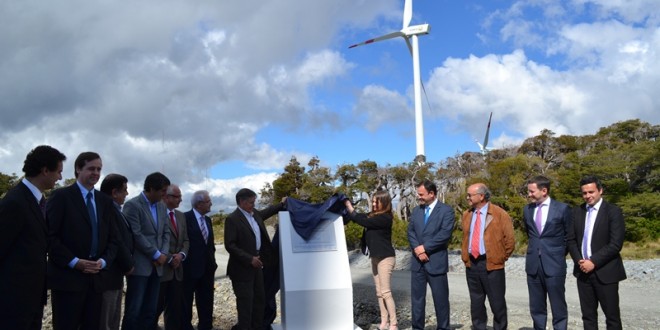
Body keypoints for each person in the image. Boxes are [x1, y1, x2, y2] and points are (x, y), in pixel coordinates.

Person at [46, 151, 119, 329]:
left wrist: (103, 261)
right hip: (68, 280)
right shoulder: (61, 197)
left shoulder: (105, 201)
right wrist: (74, 262)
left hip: (95, 280)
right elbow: (49, 236)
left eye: (99, 169)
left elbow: (114, 239)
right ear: (78, 169)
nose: (95, 173)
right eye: (91, 168)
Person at [0, 145, 65, 330]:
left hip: (31, 298)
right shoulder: (15, 203)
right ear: (45, 170)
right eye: (58, 172)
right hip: (13, 302)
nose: (60, 177)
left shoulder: (35, 201)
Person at [567, 175, 626, 330]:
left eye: (591, 192)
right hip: (583, 271)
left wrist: (593, 262)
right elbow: (571, 240)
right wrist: (580, 261)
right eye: (584, 193)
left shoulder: (613, 212)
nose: (588, 196)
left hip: (606, 272)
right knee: (588, 317)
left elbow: (615, 244)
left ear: (600, 191)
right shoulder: (576, 212)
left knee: (612, 317)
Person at [224, 188, 286, 330]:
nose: (254, 204)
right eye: (251, 202)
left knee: (259, 302)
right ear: (241, 202)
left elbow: (268, 211)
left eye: (254, 201)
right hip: (242, 270)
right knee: (246, 306)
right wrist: (249, 259)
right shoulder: (232, 219)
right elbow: (230, 245)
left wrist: (282, 204)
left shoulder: (255, 214)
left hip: (258, 267)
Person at [460, 183, 515, 330]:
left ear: (481, 196)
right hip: (472, 264)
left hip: (492, 265)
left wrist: (499, 257)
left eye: (470, 195)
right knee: (476, 302)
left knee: (497, 303)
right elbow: (465, 238)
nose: (467, 198)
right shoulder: (467, 214)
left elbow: (509, 241)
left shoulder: (500, 214)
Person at [121, 172, 171, 330]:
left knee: (151, 309)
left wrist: (163, 254)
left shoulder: (162, 207)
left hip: (158, 267)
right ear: (151, 188)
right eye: (162, 191)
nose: (165, 194)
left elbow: (165, 233)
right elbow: (135, 234)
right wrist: (155, 254)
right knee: (134, 310)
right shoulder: (132, 205)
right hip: (141, 266)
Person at [523, 175, 572, 330]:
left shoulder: (562, 209)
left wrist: (557, 254)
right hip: (533, 265)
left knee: (558, 306)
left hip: (554, 265)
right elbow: (530, 234)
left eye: (532, 191)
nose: (529, 194)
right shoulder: (527, 210)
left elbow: (568, 236)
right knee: (536, 306)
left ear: (544, 190)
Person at [344, 190, 398, 330]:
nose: (373, 204)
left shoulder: (385, 218)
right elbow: (362, 216)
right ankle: (384, 322)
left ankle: (394, 323)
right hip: (375, 257)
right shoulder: (372, 216)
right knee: (379, 293)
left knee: (386, 292)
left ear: (384, 202)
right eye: (373, 201)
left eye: (376, 202)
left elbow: (361, 220)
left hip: (385, 258)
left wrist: (350, 207)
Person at [407, 180, 455, 330]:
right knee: (417, 300)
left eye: (421, 194)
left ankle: (443, 327)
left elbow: (444, 234)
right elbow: (411, 232)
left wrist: (424, 248)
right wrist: (417, 250)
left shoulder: (446, 211)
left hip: (436, 262)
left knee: (440, 300)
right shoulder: (416, 211)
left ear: (432, 193)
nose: (418, 196)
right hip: (417, 263)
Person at [99, 173, 135, 330]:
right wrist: (128, 265)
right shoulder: (107, 210)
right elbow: (117, 241)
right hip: (108, 275)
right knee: (106, 320)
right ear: (114, 192)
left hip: (116, 275)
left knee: (113, 319)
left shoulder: (116, 210)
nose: (127, 194)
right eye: (124, 190)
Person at [156, 184, 189, 330]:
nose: (180, 200)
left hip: (177, 271)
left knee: (174, 309)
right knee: (155, 308)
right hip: (161, 269)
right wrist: (170, 258)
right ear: (166, 197)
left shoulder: (180, 216)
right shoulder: (157, 213)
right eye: (177, 197)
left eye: (180, 196)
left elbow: (186, 240)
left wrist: (181, 255)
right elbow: (155, 241)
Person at [183, 190, 217, 330]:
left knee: (207, 301)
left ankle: (206, 326)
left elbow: (209, 244)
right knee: (186, 302)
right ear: (199, 204)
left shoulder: (208, 220)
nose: (211, 204)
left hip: (207, 270)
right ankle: (186, 326)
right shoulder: (185, 218)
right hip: (190, 270)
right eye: (209, 201)